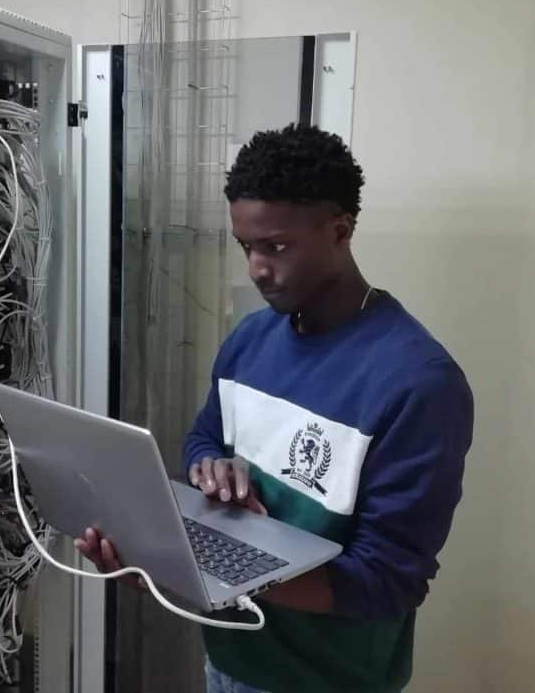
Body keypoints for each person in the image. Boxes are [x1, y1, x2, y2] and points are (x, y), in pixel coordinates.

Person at [76, 123, 473, 693]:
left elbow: (389, 580)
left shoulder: (418, 383)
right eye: (246, 246)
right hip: (230, 656)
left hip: (328, 679)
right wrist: (209, 469)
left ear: (340, 229)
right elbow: (204, 439)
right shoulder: (250, 340)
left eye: (276, 246)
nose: (257, 269)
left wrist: (204, 569)